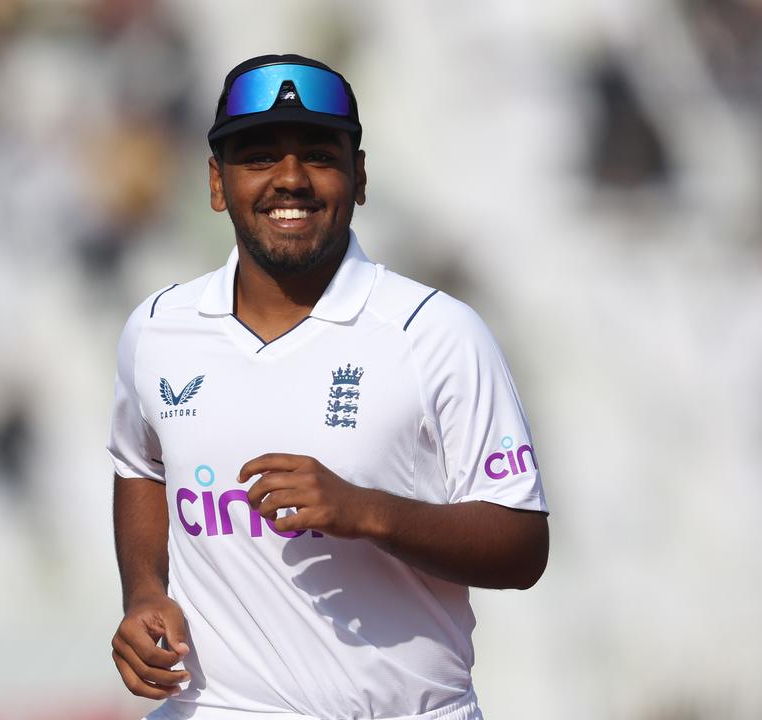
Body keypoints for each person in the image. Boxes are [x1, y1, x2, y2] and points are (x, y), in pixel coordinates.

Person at [107, 54, 549, 720]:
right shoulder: (157, 329)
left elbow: (521, 548)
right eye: (258, 157)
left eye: (318, 155)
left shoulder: (437, 334)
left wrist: (368, 511)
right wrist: (144, 592)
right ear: (217, 183)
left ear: (359, 177)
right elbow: (138, 465)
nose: (290, 179)